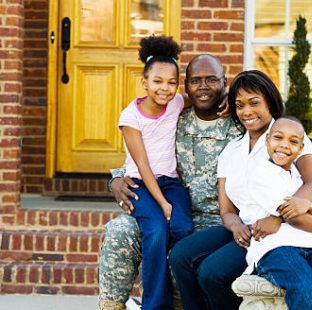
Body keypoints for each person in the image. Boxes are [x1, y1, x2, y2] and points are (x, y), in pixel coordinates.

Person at [168, 71, 312, 310]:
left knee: (211, 272)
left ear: (270, 102)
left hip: (281, 231)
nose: (247, 112)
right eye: (239, 105)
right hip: (246, 227)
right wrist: (234, 226)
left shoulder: (287, 137)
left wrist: (277, 216)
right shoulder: (233, 149)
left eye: (254, 103)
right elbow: (227, 209)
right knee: (180, 255)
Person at [216, 72, 312, 310]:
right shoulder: (259, 172)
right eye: (278, 139)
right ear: (268, 141)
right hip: (276, 247)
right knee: (307, 291)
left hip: (310, 245)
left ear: (300, 147)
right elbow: (302, 217)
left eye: (292, 143)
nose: (284, 145)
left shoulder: (294, 175)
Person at [98, 54, 240, 310]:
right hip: (169, 205)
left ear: (224, 82)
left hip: (220, 218)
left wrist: (234, 97)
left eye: (211, 80)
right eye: (196, 81)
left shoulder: (239, 122)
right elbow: (143, 157)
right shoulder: (175, 115)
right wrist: (116, 179)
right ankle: (113, 306)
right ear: (185, 87)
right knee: (120, 231)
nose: (203, 87)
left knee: (178, 244)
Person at [118, 35, 195, 310]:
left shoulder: (175, 104)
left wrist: (223, 102)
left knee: (183, 227)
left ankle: (176, 295)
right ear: (145, 82)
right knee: (156, 231)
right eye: (157, 81)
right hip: (141, 183)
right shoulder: (130, 117)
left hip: (171, 183)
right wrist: (162, 203)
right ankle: (153, 305)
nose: (165, 89)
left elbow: (199, 98)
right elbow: (142, 165)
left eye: (172, 83)